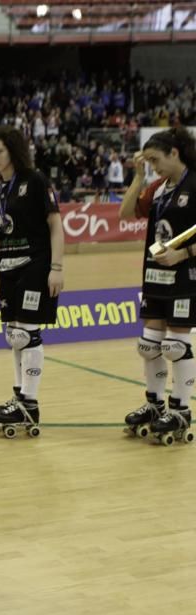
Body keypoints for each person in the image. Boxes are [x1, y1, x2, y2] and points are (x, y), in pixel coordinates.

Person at [0, 126, 64, 435]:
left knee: (27, 333)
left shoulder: (36, 181)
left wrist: (56, 267)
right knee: (14, 335)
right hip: (7, 268)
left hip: (35, 264)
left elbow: (56, 225)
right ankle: (19, 399)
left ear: (13, 151)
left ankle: (30, 404)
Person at [120, 127, 196, 443]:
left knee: (175, 346)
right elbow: (124, 214)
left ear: (174, 153)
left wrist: (183, 252)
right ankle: (155, 405)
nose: (153, 166)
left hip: (185, 276)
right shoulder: (158, 188)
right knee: (149, 345)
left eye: (155, 160)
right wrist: (138, 177)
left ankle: (180, 409)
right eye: (148, 162)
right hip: (155, 274)